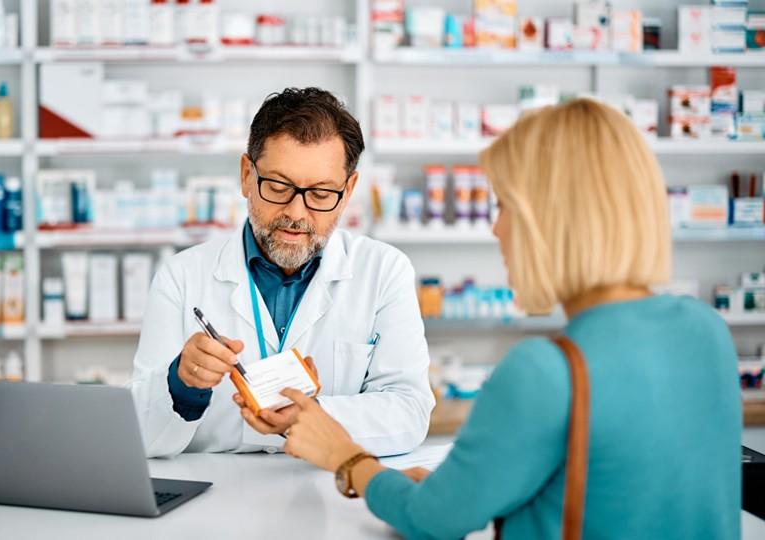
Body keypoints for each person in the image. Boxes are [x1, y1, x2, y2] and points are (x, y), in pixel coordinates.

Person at [280, 98, 742, 539]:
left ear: (552, 220)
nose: (495, 227)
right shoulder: (706, 331)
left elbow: (433, 522)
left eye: (504, 206)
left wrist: (348, 459)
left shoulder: (546, 371)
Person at [129, 87, 435, 458]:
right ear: (246, 175)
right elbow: (141, 433)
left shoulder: (384, 271)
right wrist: (182, 383)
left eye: (321, 194)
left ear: (349, 189)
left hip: (327, 490)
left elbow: (409, 411)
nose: (297, 213)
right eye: (277, 186)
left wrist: (310, 418)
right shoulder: (181, 276)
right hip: (217, 494)